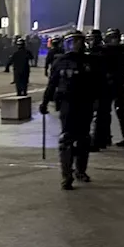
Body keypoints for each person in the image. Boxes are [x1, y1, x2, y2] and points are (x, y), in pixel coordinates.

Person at [41, 31, 97, 190]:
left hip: (85, 104)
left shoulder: (90, 61)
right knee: (66, 140)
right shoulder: (61, 61)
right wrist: (45, 102)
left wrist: (98, 102)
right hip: (67, 104)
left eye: (78, 41)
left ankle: (81, 170)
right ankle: (66, 175)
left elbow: (97, 83)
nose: (75, 45)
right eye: (71, 42)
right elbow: (52, 84)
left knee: (84, 139)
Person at [98, 28, 124, 147]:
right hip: (118, 83)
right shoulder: (123, 49)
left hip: (110, 83)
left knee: (108, 111)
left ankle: (107, 138)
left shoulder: (108, 50)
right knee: (118, 111)